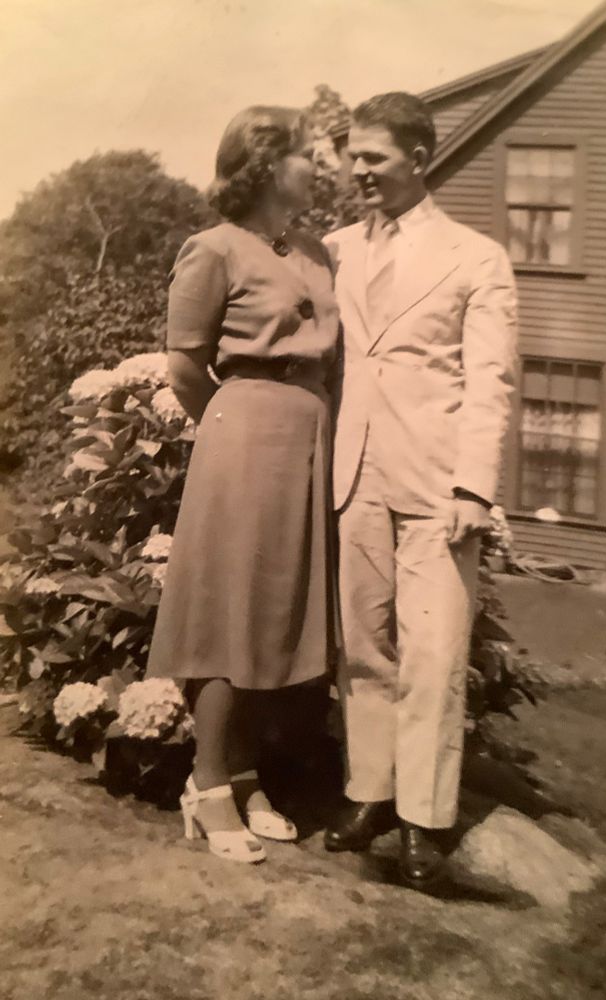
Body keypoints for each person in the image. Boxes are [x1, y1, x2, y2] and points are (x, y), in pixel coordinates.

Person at [323, 92, 517, 888]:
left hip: (437, 487)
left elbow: (491, 382)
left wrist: (474, 487)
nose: (357, 170)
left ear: (418, 158)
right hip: (352, 474)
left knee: (432, 656)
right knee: (363, 650)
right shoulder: (333, 251)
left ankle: (423, 820)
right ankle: (370, 793)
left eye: (373, 156)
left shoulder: (475, 257)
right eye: (351, 156)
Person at [147, 106, 340, 864]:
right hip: (247, 430)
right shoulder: (214, 248)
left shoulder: (317, 251)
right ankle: (205, 782)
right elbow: (186, 363)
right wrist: (234, 425)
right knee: (235, 609)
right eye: (303, 154)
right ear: (263, 165)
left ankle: (244, 770)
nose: (316, 166)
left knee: (278, 611)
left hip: (310, 431)